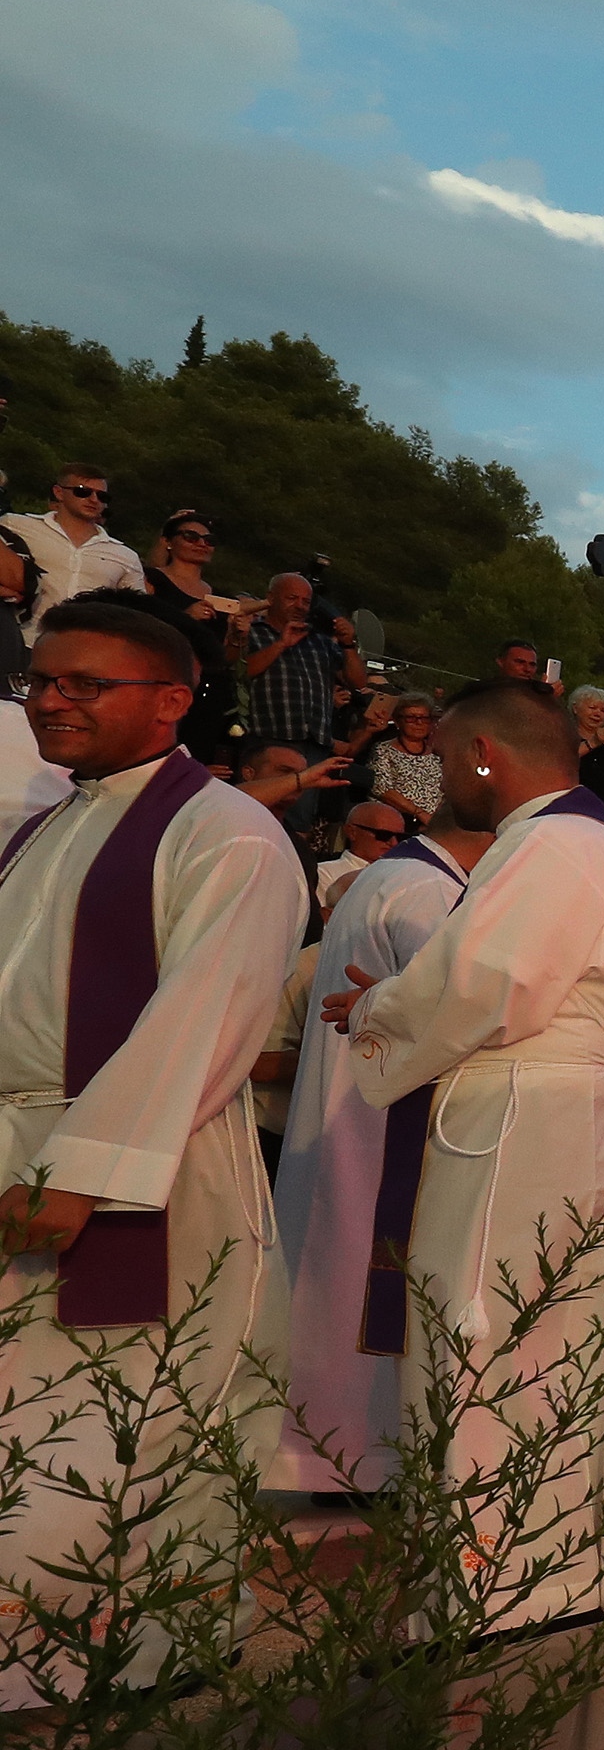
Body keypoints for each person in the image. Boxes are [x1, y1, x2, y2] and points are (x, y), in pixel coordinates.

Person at [327, 677, 604, 1612]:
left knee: (483, 1333)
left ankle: (487, 1586)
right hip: (588, 1108)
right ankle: (582, 1569)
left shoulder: (550, 846)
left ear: (484, 752)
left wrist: (373, 1007)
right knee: (579, 1347)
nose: (444, 777)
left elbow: (484, 985)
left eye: (448, 758)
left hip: (517, 1114)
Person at [0, 601, 303, 1643]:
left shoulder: (226, 833)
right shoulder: (46, 825)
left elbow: (207, 1010)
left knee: (123, 1412)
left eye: (86, 684)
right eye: (41, 680)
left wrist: (82, 1169)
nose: (52, 700)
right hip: (24, 1143)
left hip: (137, 1160)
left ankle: (127, 1654)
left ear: (171, 700)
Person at [271, 810, 490, 1488]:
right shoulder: (430, 893)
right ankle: (362, 1459)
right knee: (364, 1275)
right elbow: (451, 1009)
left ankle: (323, 1455)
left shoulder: (384, 878)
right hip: (382, 1118)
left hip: (352, 1109)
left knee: (331, 1269)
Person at [237, 573, 367, 781]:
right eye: (292, 598)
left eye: (306, 601)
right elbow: (242, 672)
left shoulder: (320, 641)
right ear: (271, 597)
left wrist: (348, 644)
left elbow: (358, 681)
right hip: (268, 736)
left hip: (314, 742)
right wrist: (281, 645)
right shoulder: (252, 632)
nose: (299, 606)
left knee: (300, 809)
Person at [142, 513, 245, 766]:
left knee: (195, 758)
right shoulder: (152, 580)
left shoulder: (221, 596)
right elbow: (141, 630)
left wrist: (236, 637)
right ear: (168, 542)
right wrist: (185, 617)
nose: (201, 543)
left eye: (209, 540)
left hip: (206, 689)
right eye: (191, 536)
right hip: (162, 678)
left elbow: (224, 659)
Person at [0, 463, 148, 608]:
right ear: (58, 492)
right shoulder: (15, 525)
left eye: (102, 496)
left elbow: (135, 611)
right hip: (22, 630)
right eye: (82, 491)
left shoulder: (126, 557)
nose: (94, 499)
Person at [365, 697, 445, 832]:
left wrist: (435, 819)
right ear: (397, 721)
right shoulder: (383, 750)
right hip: (395, 824)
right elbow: (382, 789)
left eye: (424, 718)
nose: (418, 723)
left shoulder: (439, 753)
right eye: (411, 718)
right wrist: (420, 814)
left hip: (433, 826)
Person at [567, 685, 604, 811]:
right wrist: (593, 742)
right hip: (573, 807)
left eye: (603, 711)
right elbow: (561, 760)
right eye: (592, 708)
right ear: (575, 709)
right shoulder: (565, 734)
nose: (597, 713)